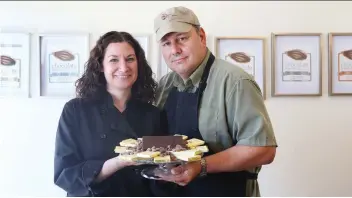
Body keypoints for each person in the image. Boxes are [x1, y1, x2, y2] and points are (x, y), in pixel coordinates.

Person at [153, 6, 278, 197]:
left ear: (201, 36)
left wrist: (200, 166)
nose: (175, 50)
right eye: (166, 43)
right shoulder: (165, 85)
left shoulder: (234, 81)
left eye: (182, 39)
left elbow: (263, 149)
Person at [54, 31, 164, 196]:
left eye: (130, 59)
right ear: (100, 65)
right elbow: (65, 173)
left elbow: (159, 171)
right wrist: (118, 162)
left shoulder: (153, 114)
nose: (124, 67)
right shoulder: (75, 111)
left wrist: (170, 173)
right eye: (114, 60)